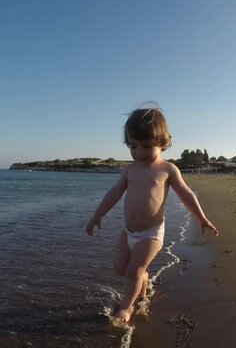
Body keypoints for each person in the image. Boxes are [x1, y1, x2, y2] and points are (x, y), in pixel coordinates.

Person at [85, 104, 220, 324]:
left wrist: (202, 218)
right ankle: (144, 278)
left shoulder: (167, 169)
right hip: (128, 230)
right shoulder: (129, 170)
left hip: (151, 233)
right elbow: (114, 194)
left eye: (146, 146)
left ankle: (126, 308)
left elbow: (186, 194)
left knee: (134, 270)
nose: (139, 153)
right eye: (133, 146)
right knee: (120, 268)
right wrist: (97, 215)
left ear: (162, 143)